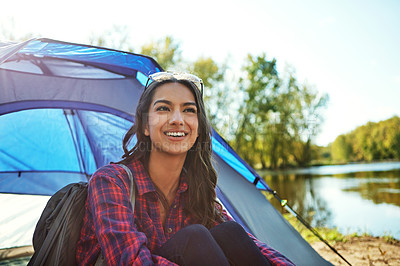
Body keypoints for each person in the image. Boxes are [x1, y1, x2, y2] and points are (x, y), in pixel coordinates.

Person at [76, 71, 295, 265]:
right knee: (195, 239)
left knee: (230, 232)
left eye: (189, 110)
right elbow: (130, 260)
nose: (177, 119)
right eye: (163, 108)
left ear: (198, 128)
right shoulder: (111, 182)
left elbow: (253, 247)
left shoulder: (194, 190)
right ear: (144, 126)